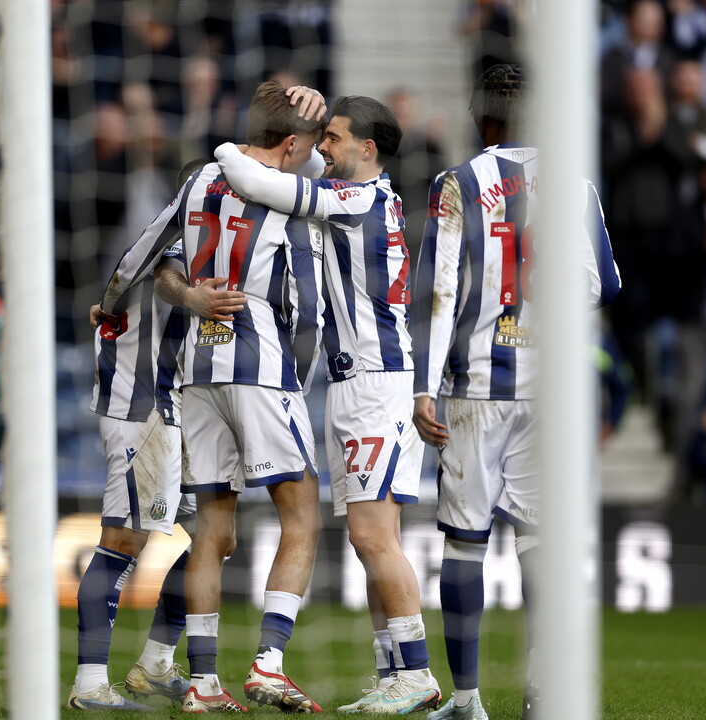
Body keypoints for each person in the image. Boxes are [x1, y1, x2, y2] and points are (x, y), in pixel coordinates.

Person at [97, 80, 327, 713]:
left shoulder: (200, 180)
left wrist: (114, 303)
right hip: (259, 361)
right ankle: (269, 664)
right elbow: (318, 166)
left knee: (212, 529)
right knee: (301, 513)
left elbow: (146, 252)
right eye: (305, 143)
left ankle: (200, 684)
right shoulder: (282, 187)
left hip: (197, 368)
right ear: (290, 142)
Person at [215, 94, 442, 714]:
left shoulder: (361, 199)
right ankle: (391, 670)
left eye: (335, 138)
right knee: (375, 535)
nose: (323, 148)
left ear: (367, 149)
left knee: (373, 537)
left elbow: (259, 179)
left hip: (375, 383)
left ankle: (416, 673)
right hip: (351, 385)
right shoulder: (363, 194)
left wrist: (224, 148)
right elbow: (305, 169)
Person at [410, 64, 621, 720]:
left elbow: (439, 291)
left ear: (480, 115)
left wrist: (425, 386)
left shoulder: (461, 183)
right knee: (535, 539)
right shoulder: (573, 181)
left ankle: (468, 699)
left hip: (476, 388)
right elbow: (603, 284)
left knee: (464, 543)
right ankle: (539, 687)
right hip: (545, 391)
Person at [66, 161, 246, 711]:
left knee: (218, 536)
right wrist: (183, 298)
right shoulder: (169, 249)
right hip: (140, 407)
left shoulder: (193, 252)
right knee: (123, 540)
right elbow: (163, 281)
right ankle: (89, 684)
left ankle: (155, 664)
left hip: (177, 409)